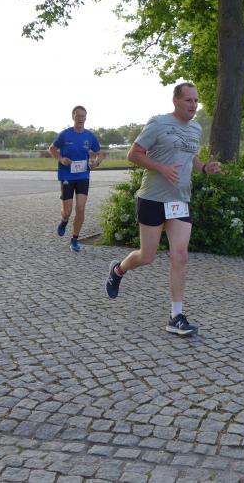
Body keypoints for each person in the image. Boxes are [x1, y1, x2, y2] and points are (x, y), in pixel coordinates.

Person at [105, 82, 221, 336]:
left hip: (179, 200)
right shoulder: (158, 123)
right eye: (189, 100)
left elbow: (191, 157)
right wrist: (161, 168)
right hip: (153, 198)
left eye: (196, 100)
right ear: (176, 101)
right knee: (147, 256)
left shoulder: (196, 128)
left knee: (180, 255)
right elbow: (133, 154)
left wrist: (204, 168)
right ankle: (118, 269)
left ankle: (176, 316)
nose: (194, 105)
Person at [48, 105, 105, 252]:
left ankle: (74, 239)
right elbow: (52, 149)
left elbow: (99, 153)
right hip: (67, 175)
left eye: (83, 116)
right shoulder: (65, 134)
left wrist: (96, 162)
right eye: (78, 116)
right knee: (67, 211)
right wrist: (61, 159)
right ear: (73, 117)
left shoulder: (89, 136)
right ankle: (64, 221)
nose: (81, 119)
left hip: (83, 176)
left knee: (80, 208)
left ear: (86, 118)